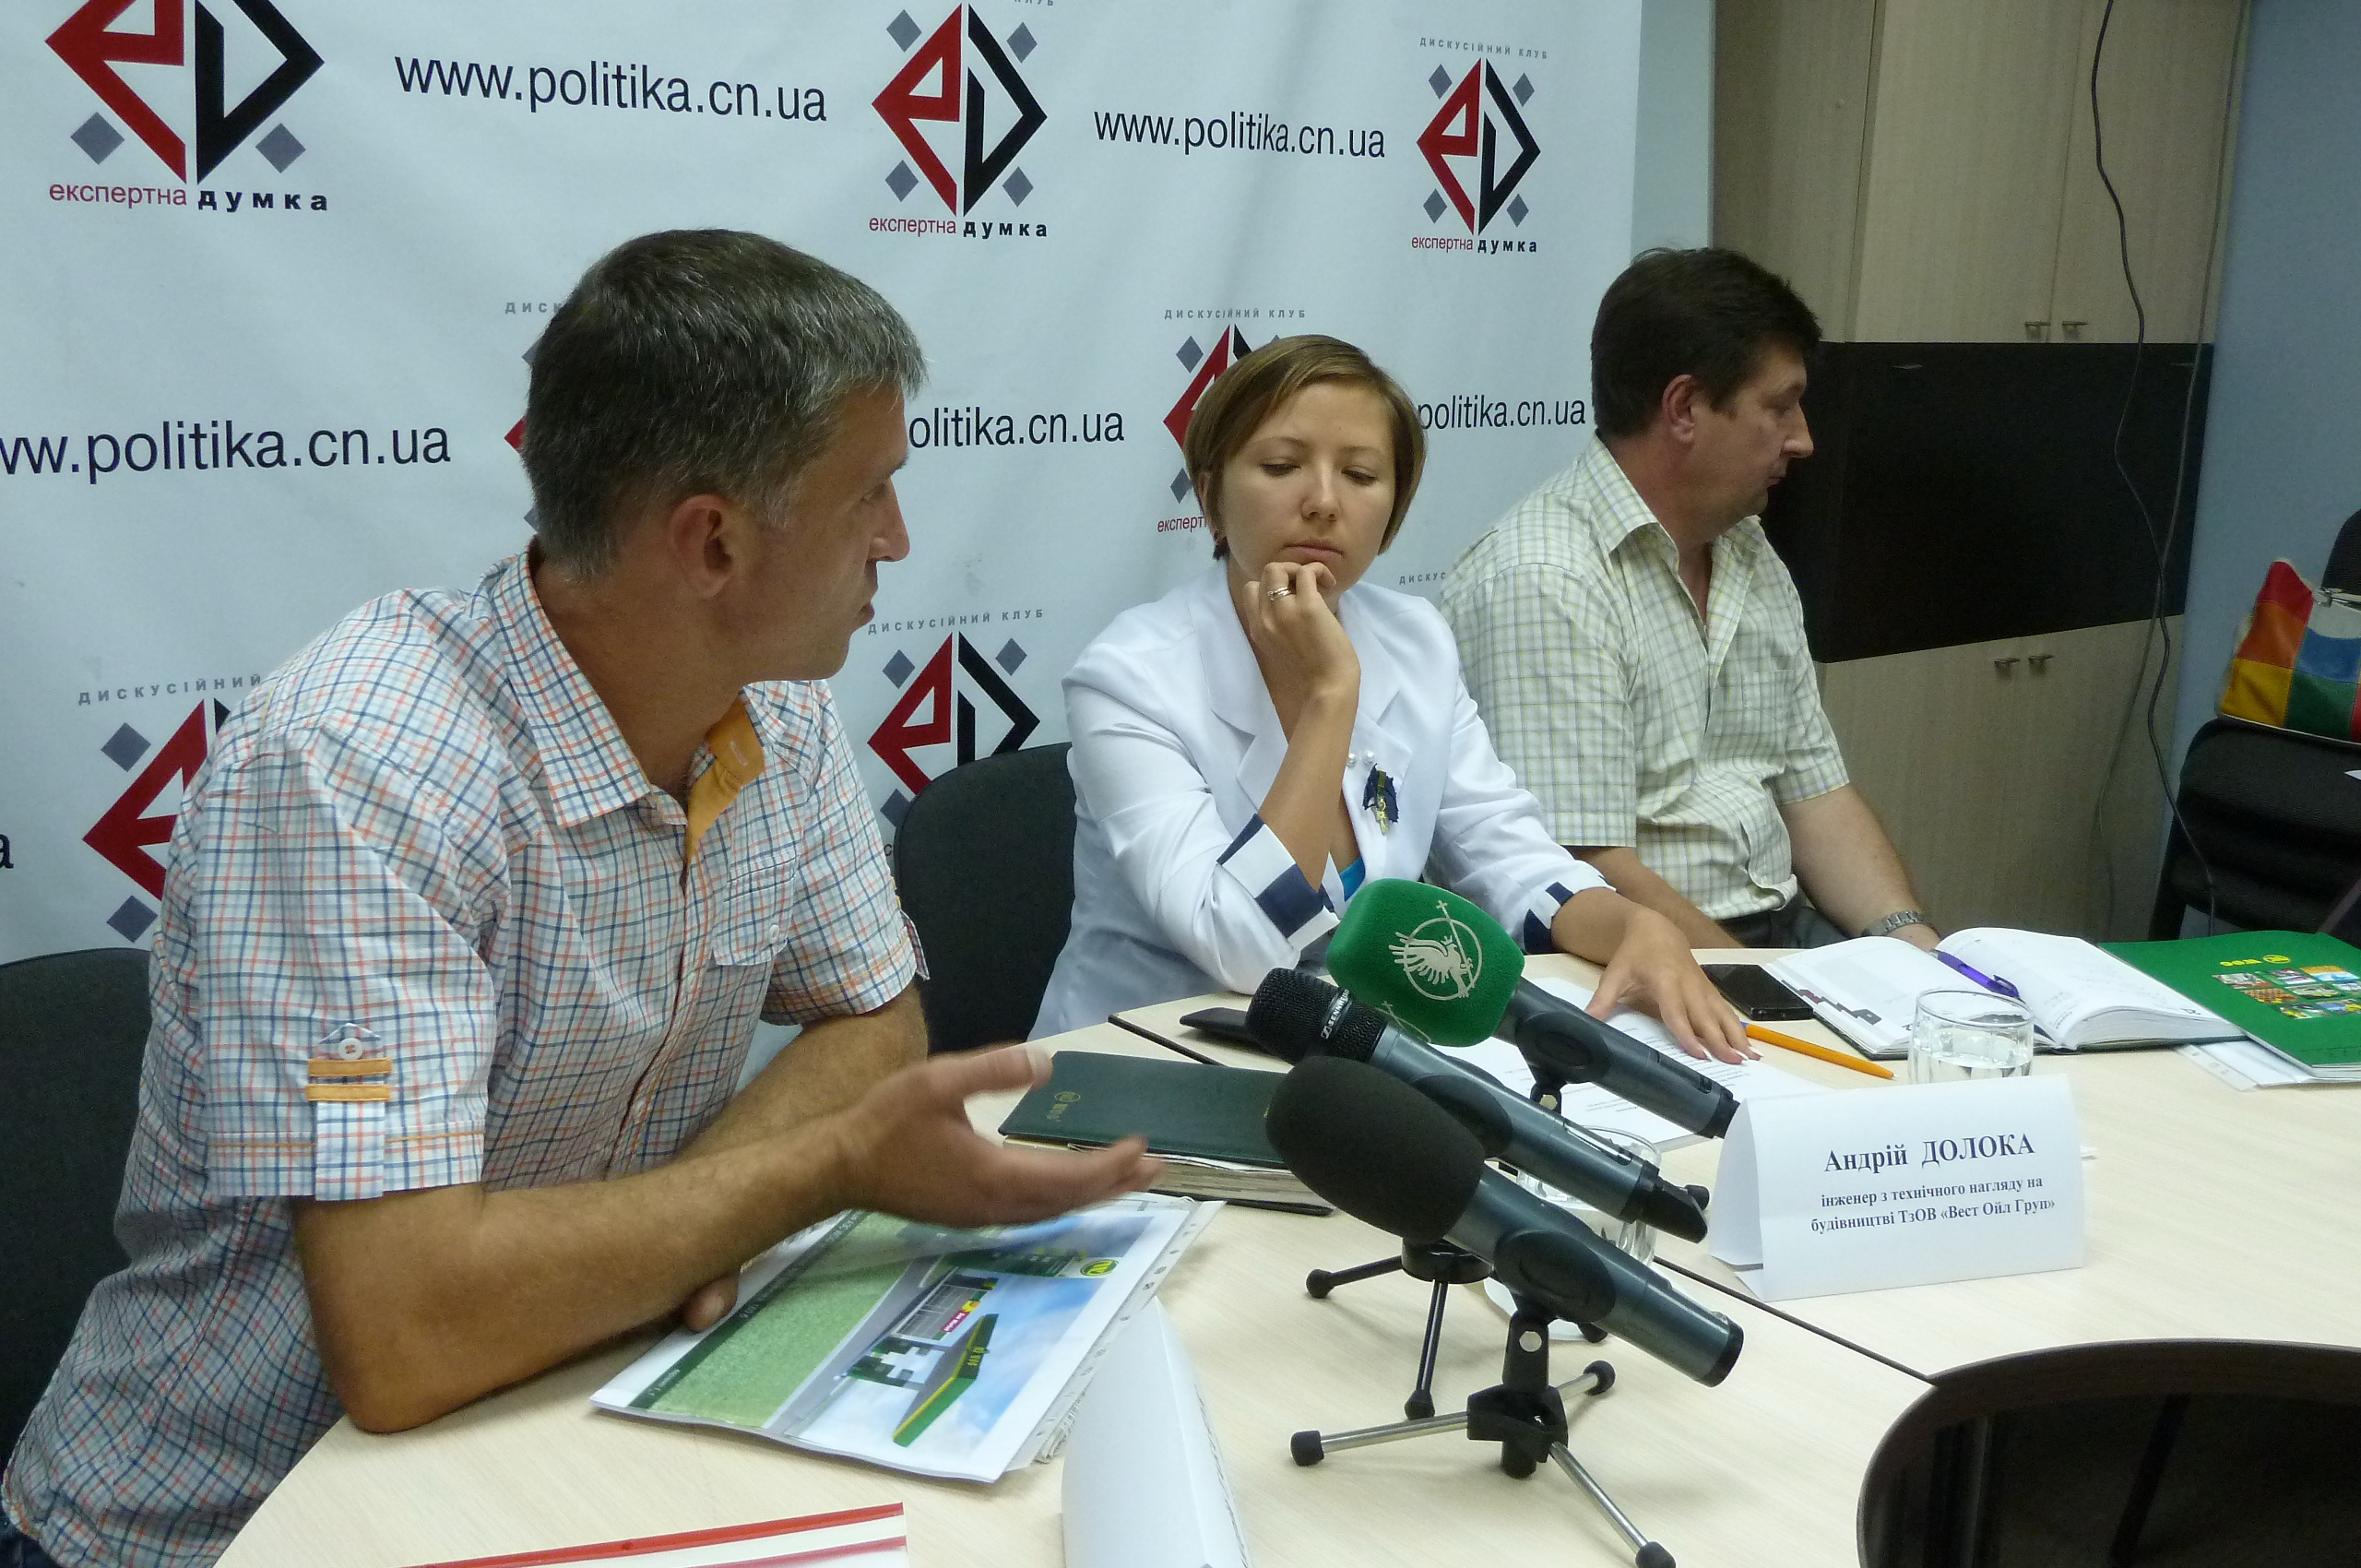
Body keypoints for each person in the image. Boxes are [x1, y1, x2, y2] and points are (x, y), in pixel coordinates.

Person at [0, 232, 1154, 1568]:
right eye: (869, 495)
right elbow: (405, 1336)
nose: (897, 538)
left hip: (567, 1433)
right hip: (224, 1526)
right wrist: (818, 1172)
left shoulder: (772, 709)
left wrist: (686, 1233)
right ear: (713, 543)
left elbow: (871, 1023)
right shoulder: (357, 763)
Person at [1030, 334, 1748, 1059]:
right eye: (1280, 467)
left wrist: (1633, 923)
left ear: (1394, 510)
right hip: (1142, 1063)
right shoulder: (1129, 677)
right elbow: (1240, 946)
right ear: (1211, 495)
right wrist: (1330, 696)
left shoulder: (1415, 639)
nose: (1323, 503)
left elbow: (1506, 854)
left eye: (1360, 475)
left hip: (1345, 1060)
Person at [1442, 247, 1940, 954]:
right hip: (1632, 952)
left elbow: (1816, 791)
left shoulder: (1746, 547)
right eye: (1779, 407)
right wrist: (1760, 992)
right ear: (1683, 409)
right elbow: (1580, 870)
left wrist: (1911, 946)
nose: (1803, 439)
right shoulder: (1545, 577)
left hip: (1778, 934)